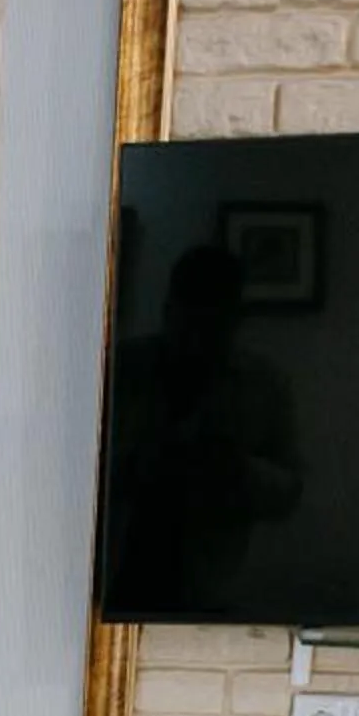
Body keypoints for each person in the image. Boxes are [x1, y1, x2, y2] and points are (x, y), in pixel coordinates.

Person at [101, 244, 305, 619]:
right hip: (115, 575)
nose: (198, 339)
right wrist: (141, 461)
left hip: (212, 584)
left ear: (236, 320)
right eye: (189, 321)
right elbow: (68, 474)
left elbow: (289, 493)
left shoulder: (264, 384)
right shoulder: (119, 370)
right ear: (169, 311)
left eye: (214, 325)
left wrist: (236, 466)